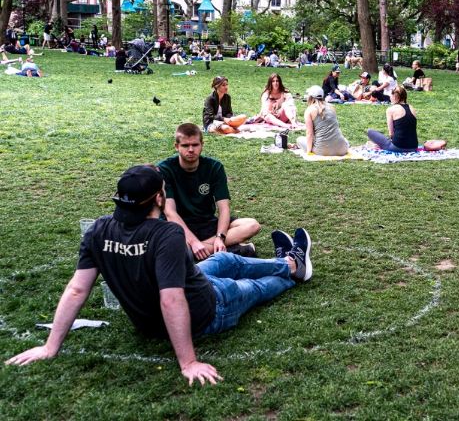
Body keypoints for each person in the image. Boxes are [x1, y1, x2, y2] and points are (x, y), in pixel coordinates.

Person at [4, 164, 313, 385]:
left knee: (227, 261)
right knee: (249, 288)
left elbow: (76, 290)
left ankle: (289, 262)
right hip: (207, 310)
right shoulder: (166, 234)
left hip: (168, 305)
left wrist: (50, 346)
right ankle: (293, 269)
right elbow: (171, 300)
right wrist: (188, 362)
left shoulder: (98, 229)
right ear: (158, 200)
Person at [159, 123, 260, 260]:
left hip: (206, 223)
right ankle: (233, 249)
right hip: (177, 227)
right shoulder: (164, 169)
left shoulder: (214, 167)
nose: (190, 150)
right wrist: (193, 241)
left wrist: (220, 237)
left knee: (252, 225)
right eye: (185, 145)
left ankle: (200, 250)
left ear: (202, 145)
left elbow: (224, 209)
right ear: (177, 147)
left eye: (195, 145)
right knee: (167, 243)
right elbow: (170, 213)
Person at [296, 86, 350, 156]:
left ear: (310, 97)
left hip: (321, 150)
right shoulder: (331, 106)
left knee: (299, 139)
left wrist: (309, 152)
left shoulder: (309, 110)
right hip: (342, 149)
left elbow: (310, 133)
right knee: (344, 140)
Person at [366, 86, 418, 152]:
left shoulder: (390, 110)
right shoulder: (411, 108)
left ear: (394, 96)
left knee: (370, 132)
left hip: (397, 147)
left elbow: (391, 134)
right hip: (414, 147)